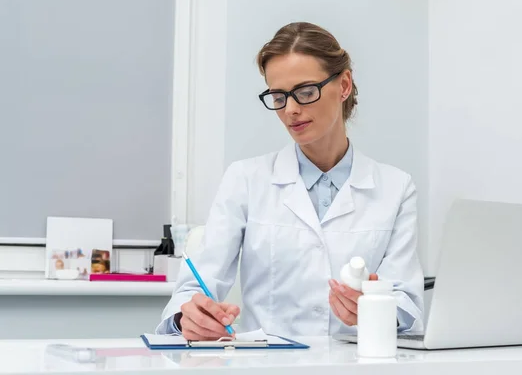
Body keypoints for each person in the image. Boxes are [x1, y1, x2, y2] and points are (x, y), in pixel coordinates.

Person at [157, 22, 424, 341]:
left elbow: (407, 304)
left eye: (306, 92)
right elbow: (192, 289)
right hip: (269, 364)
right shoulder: (246, 179)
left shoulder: (396, 188)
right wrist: (189, 317)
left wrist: (377, 309)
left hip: (357, 363)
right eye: (278, 96)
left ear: (344, 85)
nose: (291, 110)